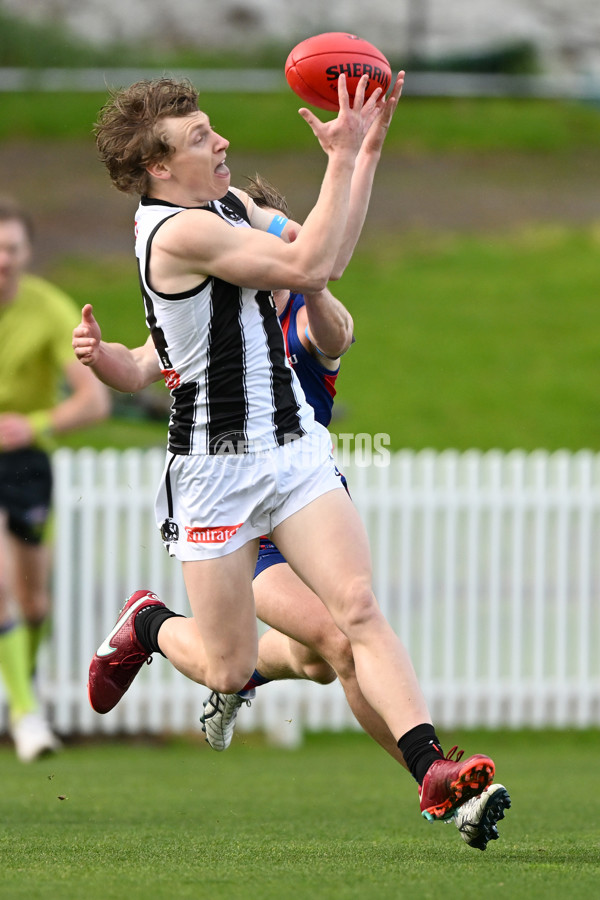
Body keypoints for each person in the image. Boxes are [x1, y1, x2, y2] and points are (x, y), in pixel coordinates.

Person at [76, 72, 496, 824]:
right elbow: (307, 270)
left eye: (212, 127)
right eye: (201, 137)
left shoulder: (228, 205)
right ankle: (147, 623)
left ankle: (434, 771)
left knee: (357, 608)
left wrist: (361, 153)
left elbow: (320, 254)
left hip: (292, 445)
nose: (222, 139)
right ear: (159, 167)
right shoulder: (179, 232)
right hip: (214, 469)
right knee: (230, 666)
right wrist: (339, 159)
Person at [198, 174, 511, 850]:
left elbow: (338, 333)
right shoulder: (215, 326)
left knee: (319, 656)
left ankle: (246, 673)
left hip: (307, 508)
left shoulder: (303, 317)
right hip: (250, 537)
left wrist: (310, 274)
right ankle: (446, 789)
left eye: (281, 238)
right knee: (339, 644)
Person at [0, 198, 111, 762]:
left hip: (25, 461)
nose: (2, 260)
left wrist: (34, 424)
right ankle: (25, 717)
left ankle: (23, 682)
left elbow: (95, 401)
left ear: (27, 253)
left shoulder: (48, 310)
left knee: (33, 602)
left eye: (12, 248)